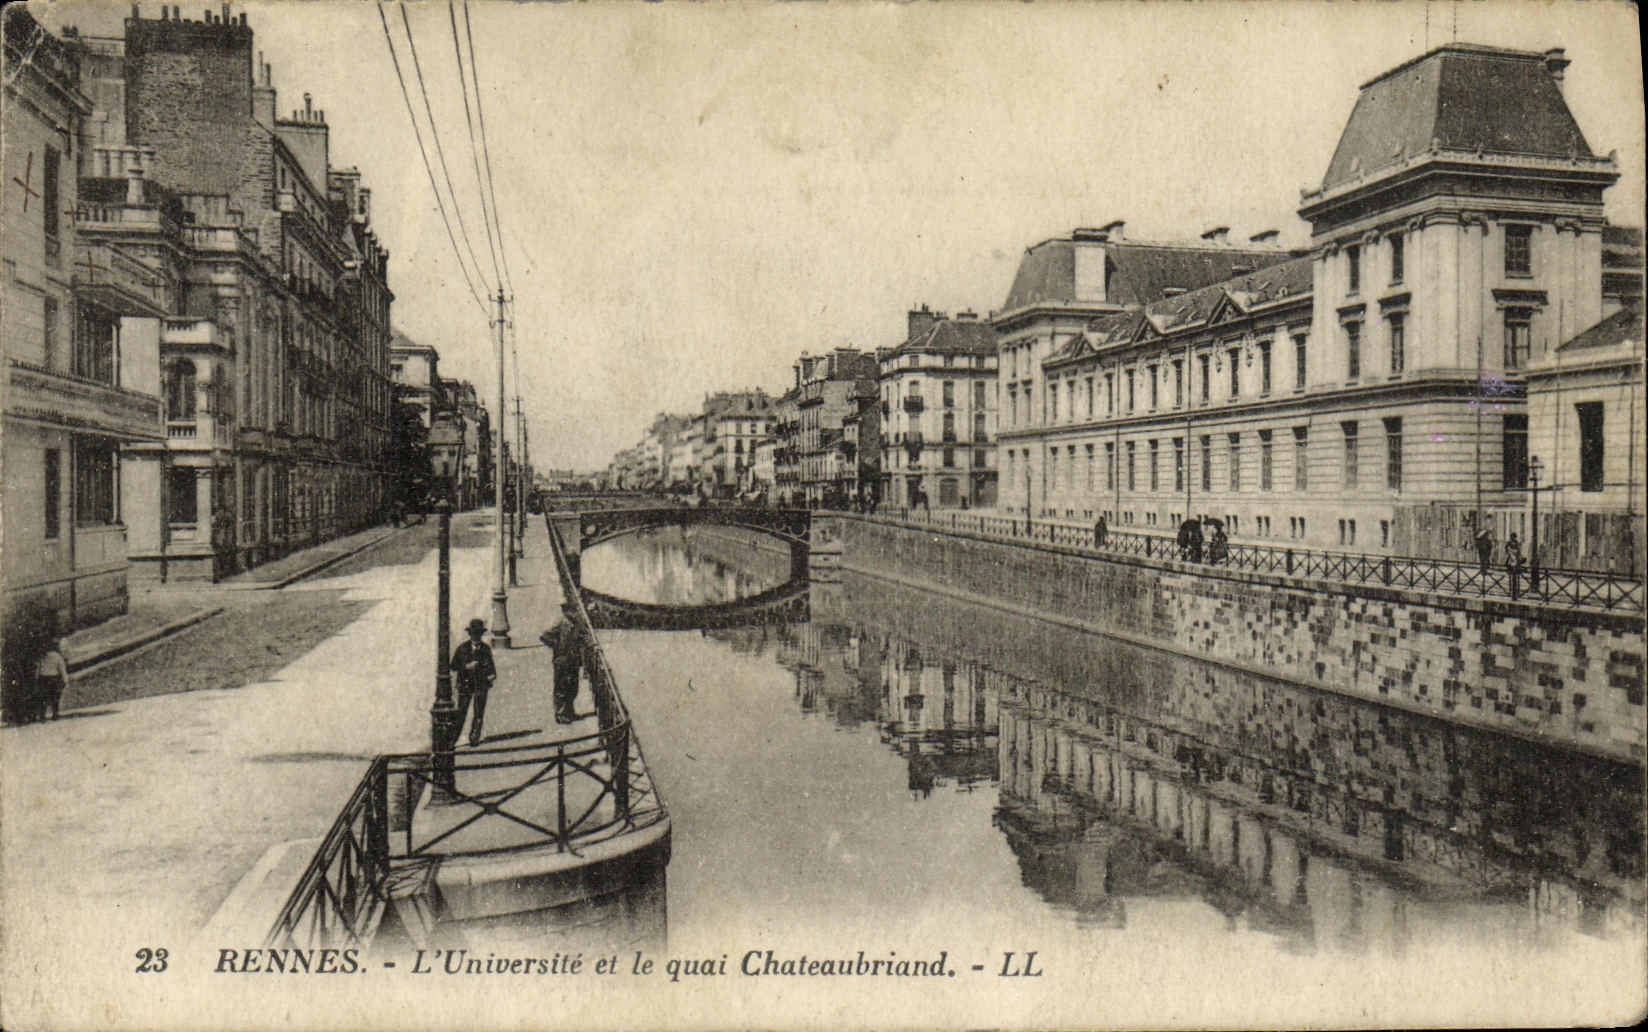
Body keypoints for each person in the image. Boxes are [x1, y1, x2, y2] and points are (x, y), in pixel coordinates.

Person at [451, 618, 497, 746]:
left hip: (481, 684)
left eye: (479, 634)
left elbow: (492, 669)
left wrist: (491, 676)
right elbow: (453, 666)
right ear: (470, 634)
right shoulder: (462, 648)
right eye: (474, 634)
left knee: (479, 712)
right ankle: (453, 739)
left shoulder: (485, 649)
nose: (476, 637)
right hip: (465, 684)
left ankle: (474, 736)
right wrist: (466, 667)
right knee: (461, 712)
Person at [539, 606, 584, 725]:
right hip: (562, 660)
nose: (575, 613)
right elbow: (544, 636)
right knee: (561, 687)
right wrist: (557, 646)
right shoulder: (560, 622)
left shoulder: (576, 623)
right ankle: (560, 714)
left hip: (573, 659)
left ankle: (569, 712)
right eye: (572, 610)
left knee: (573, 687)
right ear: (566, 611)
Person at [34, 640, 69, 722]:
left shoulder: (42, 656)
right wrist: (65, 681)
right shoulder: (58, 657)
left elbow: (37, 670)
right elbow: (62, 670)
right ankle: (55, 715)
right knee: (55, 698)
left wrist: (37, 680)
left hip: (43, 679)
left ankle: (42, 717)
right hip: (54, 678)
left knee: (43, 698)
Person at [1505, 532, 1525, 600]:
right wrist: (1509, 551)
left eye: (1514, 536)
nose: (1513, 538)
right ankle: (1510, 570)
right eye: (1512, 536)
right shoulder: (1509, 542)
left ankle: (1515, 570)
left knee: (1516, 562)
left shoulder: (1515, 542)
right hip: (1511, 554)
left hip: (1515, 553)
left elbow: (1518, 548)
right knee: (1509, 562)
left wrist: (1519, 553)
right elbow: (1507, 549)